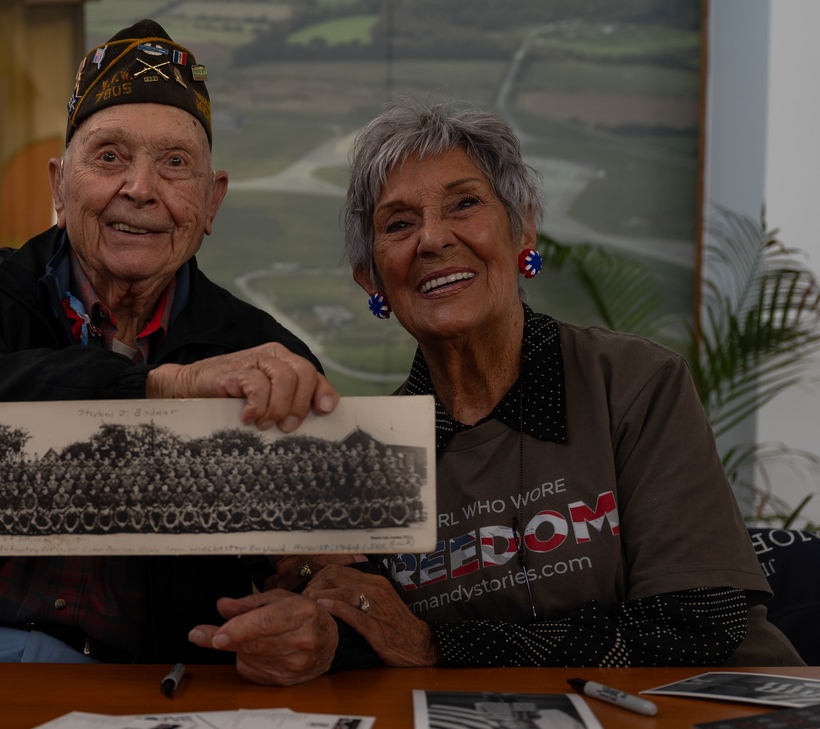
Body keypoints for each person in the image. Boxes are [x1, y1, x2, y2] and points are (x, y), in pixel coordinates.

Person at [189, 97, 804, 673]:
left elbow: (698, 625)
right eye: (398, 224)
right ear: (370, 279)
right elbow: (371, 630)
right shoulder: (369, 452)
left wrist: (438, 645)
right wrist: (311, 617)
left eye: (463, 205)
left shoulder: (635, 384)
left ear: (523, 232)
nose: (432, 239)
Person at [0, 19, 340, 667]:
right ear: (59, 187)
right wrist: (152, 387)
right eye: (109, 157)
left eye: (175, 164)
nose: (141, 188)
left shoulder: (263, 352)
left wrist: (308, 611)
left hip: (143, 682)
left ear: (212, 202)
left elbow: (307, 565)